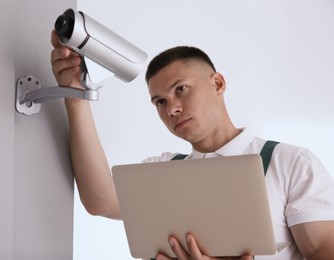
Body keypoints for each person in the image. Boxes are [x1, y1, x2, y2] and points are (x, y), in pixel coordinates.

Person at [50, 30, 334, 260]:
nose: (171, 108)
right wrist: (76, 99)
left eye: (180, 89)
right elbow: (102, 202)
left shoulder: (289, 162)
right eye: (159, 101)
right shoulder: (161, 170)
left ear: (218, 83)